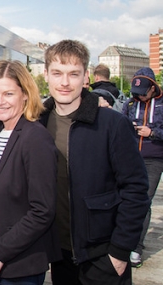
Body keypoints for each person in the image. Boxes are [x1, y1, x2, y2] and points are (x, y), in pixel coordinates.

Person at [39, 39, 150, 285]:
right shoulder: (38, 123)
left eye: (73, 74)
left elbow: (136, 189)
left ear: (85, 77)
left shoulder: (112, 124)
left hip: (103, 254)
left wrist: (120, 250)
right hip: (60, 254)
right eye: (57, 73)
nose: (65, 82)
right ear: (46, 75)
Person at [0, 60, 60, 285]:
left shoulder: (35, 138)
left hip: (18, 263)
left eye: (8, 93)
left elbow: (42, 211)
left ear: (26, 94)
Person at [122, 67, 163, 268]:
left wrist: (152, 133)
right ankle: (123, 241)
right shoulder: (130, 104)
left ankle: (135, 247)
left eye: (143, 93)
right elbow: (119, 125)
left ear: (153, 88)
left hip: (154, 159)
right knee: (126, 199)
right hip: (130, 157)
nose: (140, 97)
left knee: (143, 201)